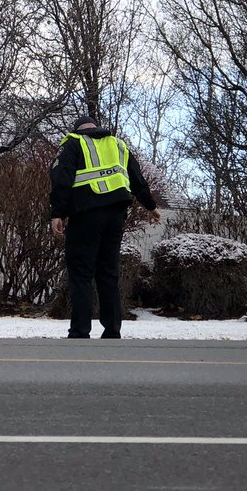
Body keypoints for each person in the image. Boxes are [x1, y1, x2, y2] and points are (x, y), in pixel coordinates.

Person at [49, 115, 160, 339]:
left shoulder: (73, 142)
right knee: (108, 273)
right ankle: (112, 330)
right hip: (115, 216)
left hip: (85, 214)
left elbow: (61, 178)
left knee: (81, 273)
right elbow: (137, 177)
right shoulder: (117, 144)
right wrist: (150, 205)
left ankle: (80, 331)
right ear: (95, 127)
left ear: (77, 129)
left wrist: (57, 213)